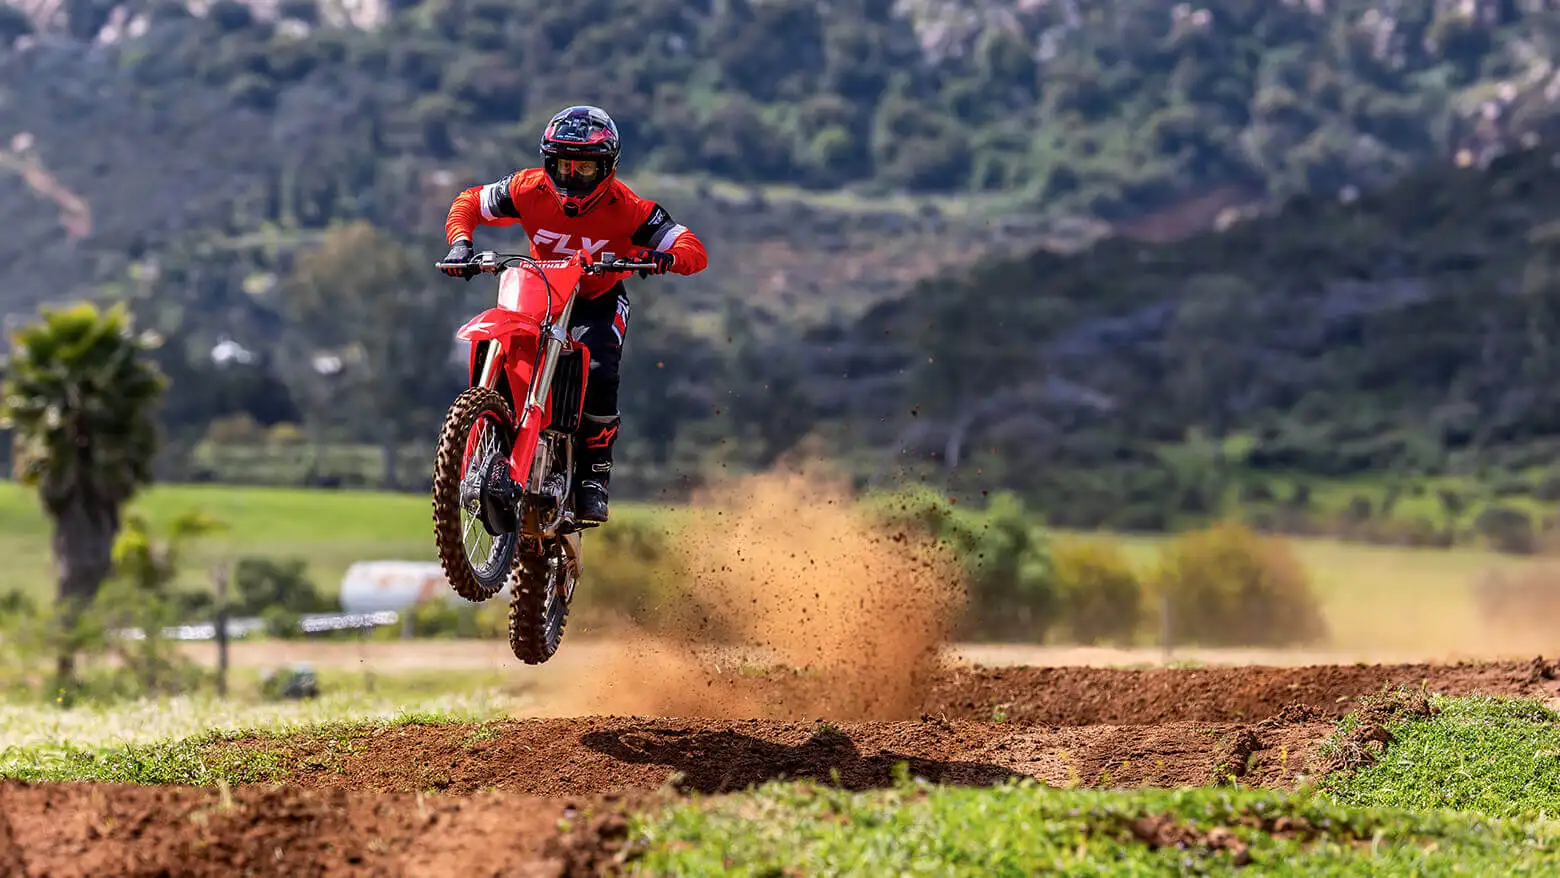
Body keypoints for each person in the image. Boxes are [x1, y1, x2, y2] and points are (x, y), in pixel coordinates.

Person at [439, 105, 708, 524]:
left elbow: (692, 247)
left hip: (597, 300)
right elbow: (469, 201)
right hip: (540, 291)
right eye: (563, 165)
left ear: (608, 168)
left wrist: (664, 258)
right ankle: (492, 436)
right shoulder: (526, 188)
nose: (572, 177)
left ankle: (594, 476)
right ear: (547, 162)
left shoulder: (631, 209)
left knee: (599, 367)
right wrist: (460, 244)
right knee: (502, 344)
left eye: (585, 168)